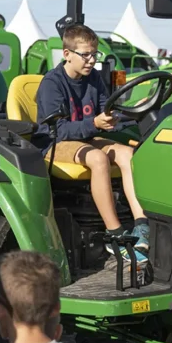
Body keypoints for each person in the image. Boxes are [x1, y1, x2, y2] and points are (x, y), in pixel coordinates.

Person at [33, 23, 149, 265]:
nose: (91, 60)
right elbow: (59, 129)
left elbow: (106, 113)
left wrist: (131, 113)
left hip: (86, 137)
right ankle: (115, 234)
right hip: (55, 142)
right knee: (98, 159)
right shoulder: (52, 84)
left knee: (129, 154)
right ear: (67, 54)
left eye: (94, 55)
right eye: (85, 55)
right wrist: (95, 123)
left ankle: (141, 224)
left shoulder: (94, 78)